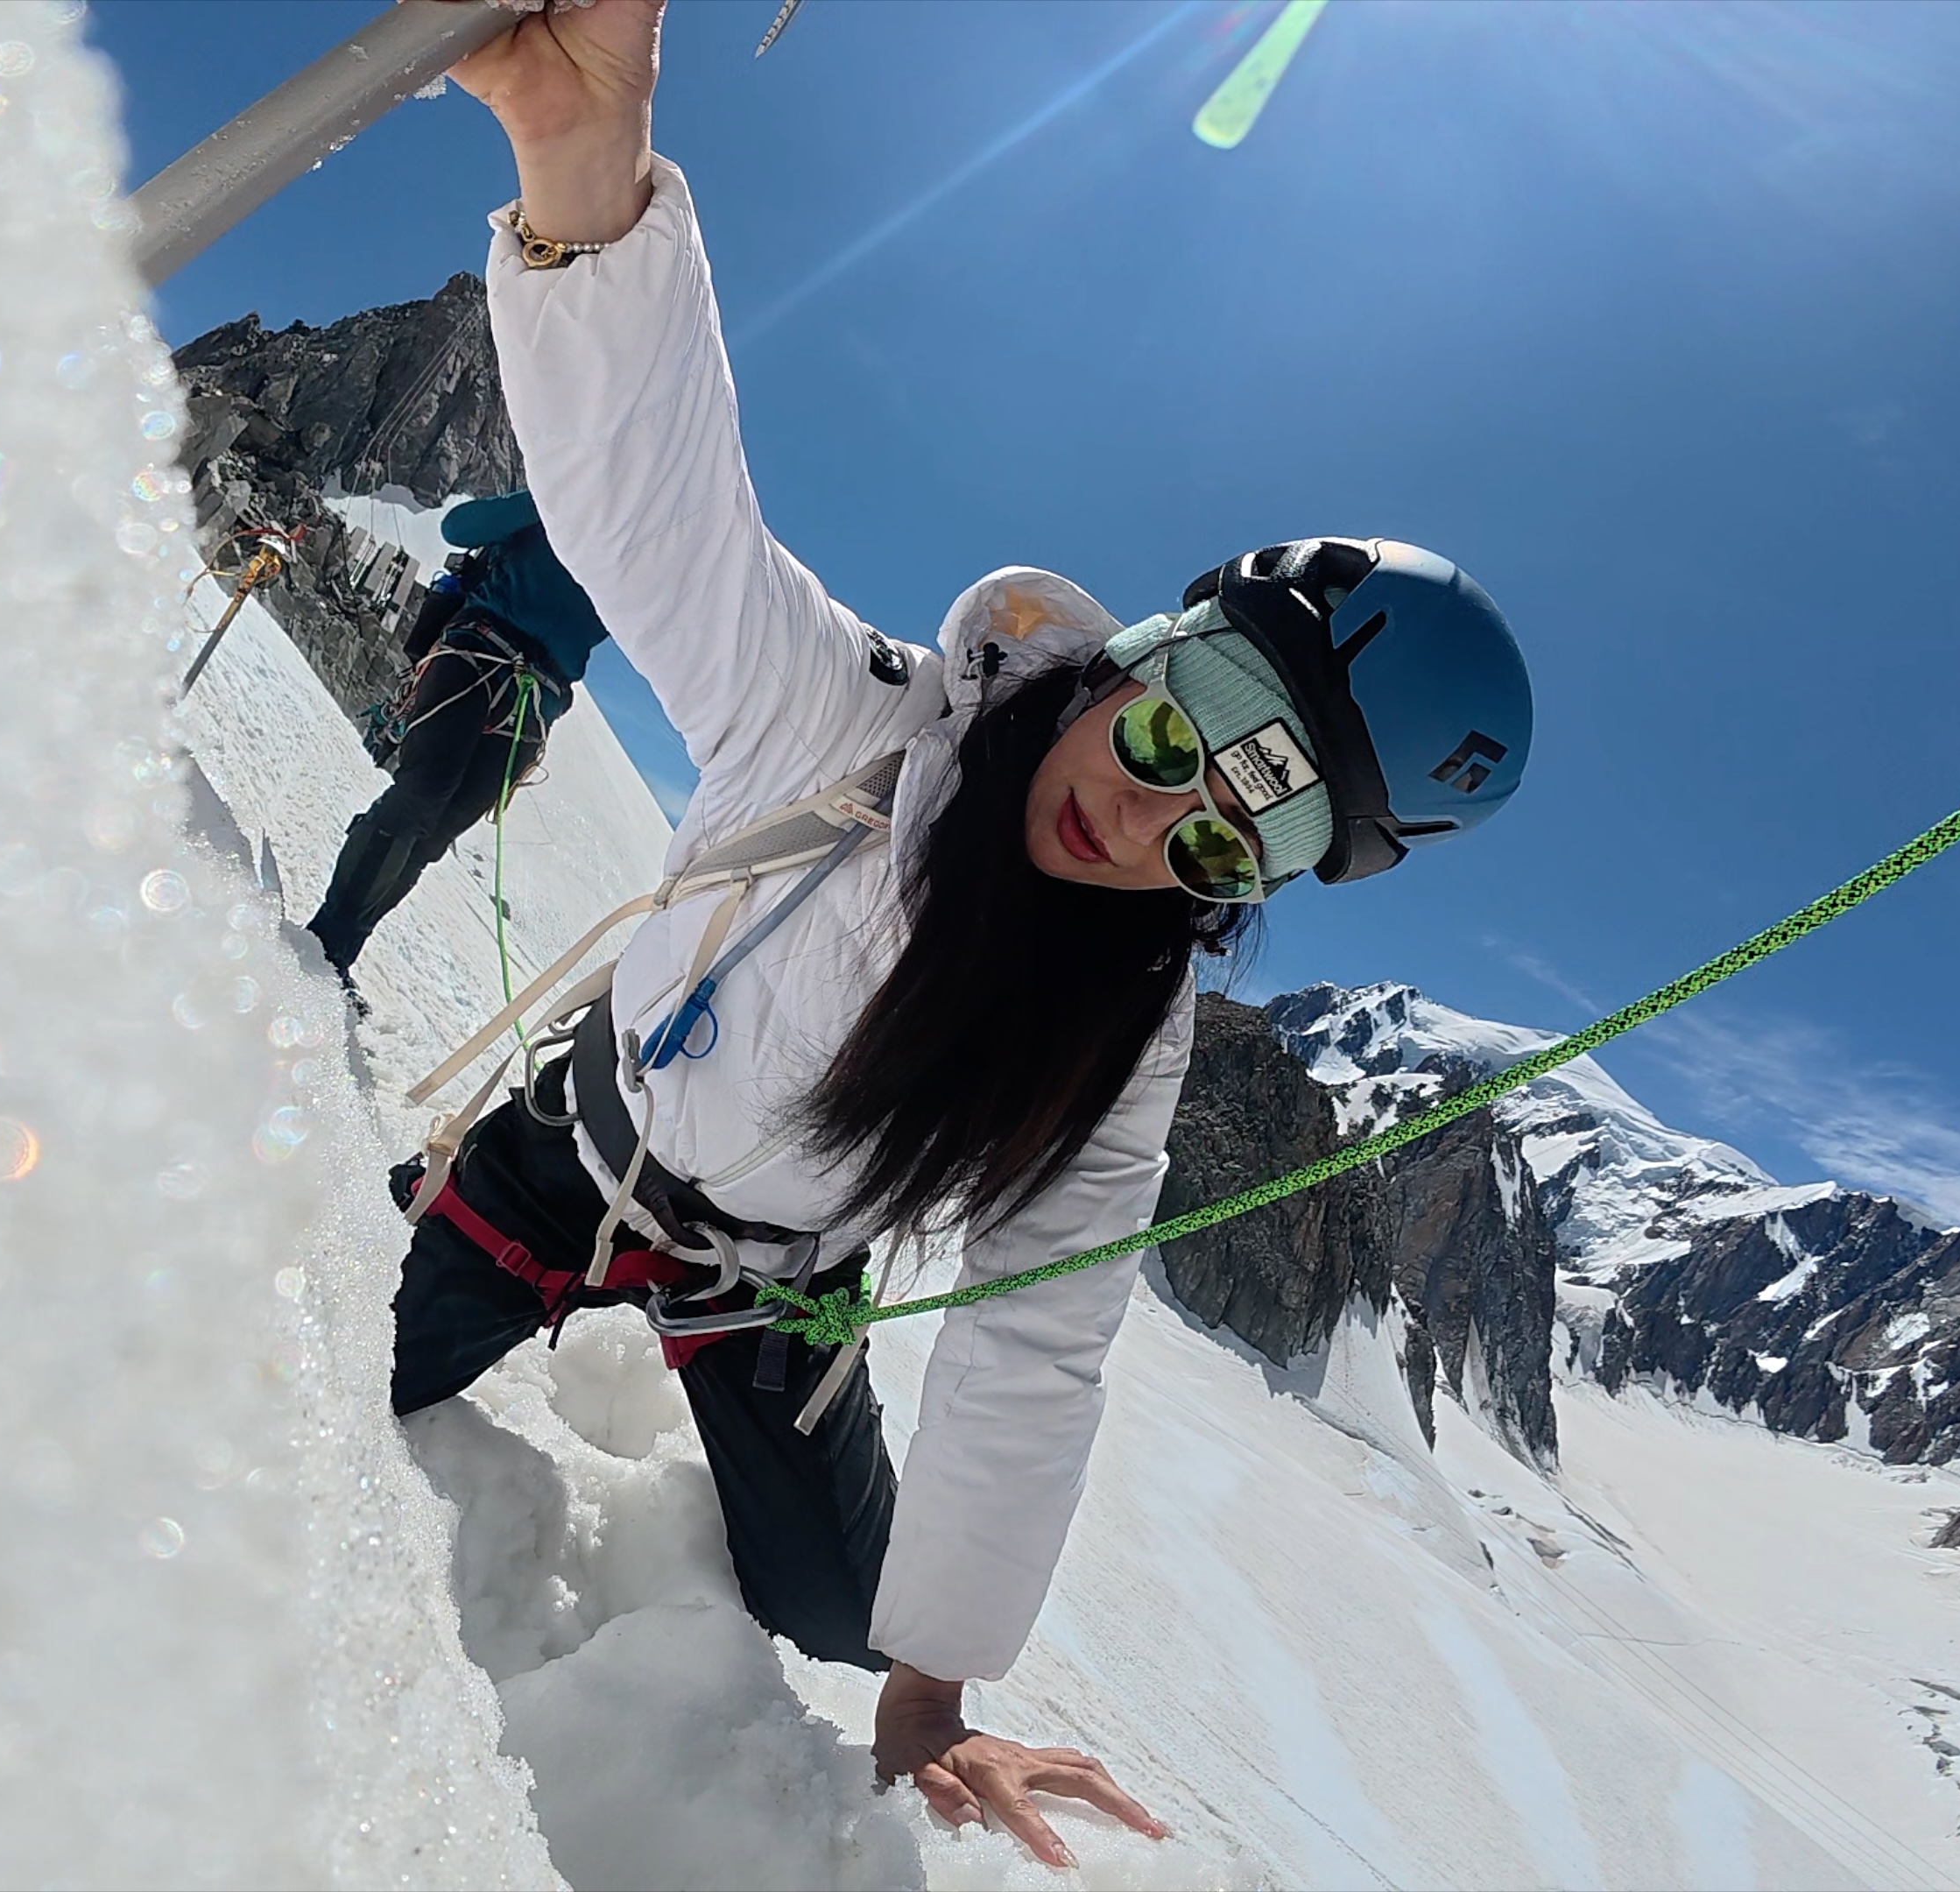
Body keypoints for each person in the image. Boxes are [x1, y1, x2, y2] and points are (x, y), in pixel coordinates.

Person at [409, 2, 1534, 1867]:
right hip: (569, 1160)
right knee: (349, 1368)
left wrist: (931, 1689)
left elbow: (1040, 1342)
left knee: (845, 1614)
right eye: (1173, 731)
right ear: (1138, 656)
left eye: (1226, 832)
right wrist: (580, 172)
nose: (1147, 814)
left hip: (770, 1287)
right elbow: (658, 513)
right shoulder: (842, 721)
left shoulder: (1119, 1050)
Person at [305, 489, 614, 979]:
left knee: (435, 832)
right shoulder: (561, 496)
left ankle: (336, 953)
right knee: (422, 796)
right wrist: (547, 497)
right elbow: (458, 528)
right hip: (486, 657)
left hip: (524, 689)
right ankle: (322, 943)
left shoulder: (633, 551)